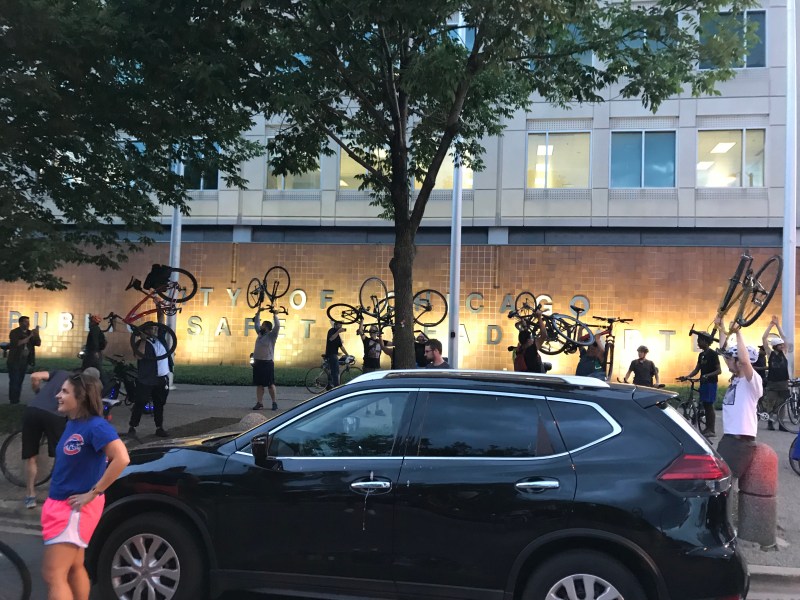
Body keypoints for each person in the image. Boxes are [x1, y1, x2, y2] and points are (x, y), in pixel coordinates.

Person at [41, 371, 129, 600]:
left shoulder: (96, 427)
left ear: (80, 397)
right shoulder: (74, 424)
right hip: (64, 506)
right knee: (73, 568)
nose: (58, 395)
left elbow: (121, 458)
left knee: (53, 574)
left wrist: (94, 493)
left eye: (65, 391)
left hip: (73, 509)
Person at [22, 368, 93, 509]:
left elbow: (35, 376)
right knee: (61, 455)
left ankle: (30, 495)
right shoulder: (78, 386)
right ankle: (56, 494)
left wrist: (37, 392)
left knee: (31, 456)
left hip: (32, 410)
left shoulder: (60, 373)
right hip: (55, 416)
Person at [716, 322, 763, 481]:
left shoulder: (752, 381)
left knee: (726, 484)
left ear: (739, 361)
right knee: (719, 481)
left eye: (731, 360)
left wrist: (738, 333)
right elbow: (724, 353)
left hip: (740, 443)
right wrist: (721, 326)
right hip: (730, 439)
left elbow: (744, 362)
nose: (727, 362)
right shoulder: (736, 379)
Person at [128, 320, 171, 438]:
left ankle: (159, 427)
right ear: (144, 331)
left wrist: (158, 305)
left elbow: (161, 321)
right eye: (149, 329)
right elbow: (138, 356)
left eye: (153, 328)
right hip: (146, 379)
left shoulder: (160, 340)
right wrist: (142, 339)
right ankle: (133, 427)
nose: (152, 330)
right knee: (140, 402)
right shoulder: (140, 343)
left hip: (161, 378)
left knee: (159, 403)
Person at [679, 330, 721, 437]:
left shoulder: (713, 354)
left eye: (699, 341)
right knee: (705, 405)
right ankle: (706, 427)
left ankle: (711, 429)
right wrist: (687, 377)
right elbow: (697, 369)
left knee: (709, 405)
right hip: (703, 383)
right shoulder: (701, 355)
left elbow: (718, 371)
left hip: (710, 383)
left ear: (705, 342)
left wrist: (707, 375)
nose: (697, 343)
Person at [762, 315, 790, 431]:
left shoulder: (785, 353)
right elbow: (764, 338)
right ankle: (770, 422)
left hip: (783, 382)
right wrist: (770, 325)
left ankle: (781, 423)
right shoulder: (770, 354)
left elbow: (784, 337)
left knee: (782, 404)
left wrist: (778, 325)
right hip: (773, 383)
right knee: (771, 403)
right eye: (780, 345)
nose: (782, 346)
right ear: (775, 346)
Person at [7, 315, 41, 404]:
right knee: (14, 380)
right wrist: (30, 336)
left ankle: (17, 399)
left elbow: (38, 343)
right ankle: (13, 400)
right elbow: (18, 343)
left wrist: (37, 334)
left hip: (24, 361)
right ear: (20, 323)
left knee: (20, 381)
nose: (28, 324)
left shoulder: (30, 332)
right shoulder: (14, 332)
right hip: (14, 360)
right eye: (26, 322)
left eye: (28, 322)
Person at [252, 307, 280, 410]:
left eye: (263, 325)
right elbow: (256, 324)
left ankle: (274, 402)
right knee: (259, 384)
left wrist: (275, 315)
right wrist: (258, 312)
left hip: (267, 363)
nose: (261, 326)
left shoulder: (272, 335)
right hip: (258, 362)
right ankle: (259, 403)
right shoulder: (260, 334)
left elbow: (277, 326)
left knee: (270, 384)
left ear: (267, 327)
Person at [324, 321, 348, 389]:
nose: (340, 327)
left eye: (341, 325)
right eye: (339, 325)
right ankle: (336, 387)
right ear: (335, 325)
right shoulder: (331, 331)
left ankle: (329, 385)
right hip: (331, 354)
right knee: (335, 371)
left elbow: (341, 346)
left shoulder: (338, 336)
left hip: (334, 354)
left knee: (333, 370)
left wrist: (347, 354)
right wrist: (338, 332)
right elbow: (331, 339)